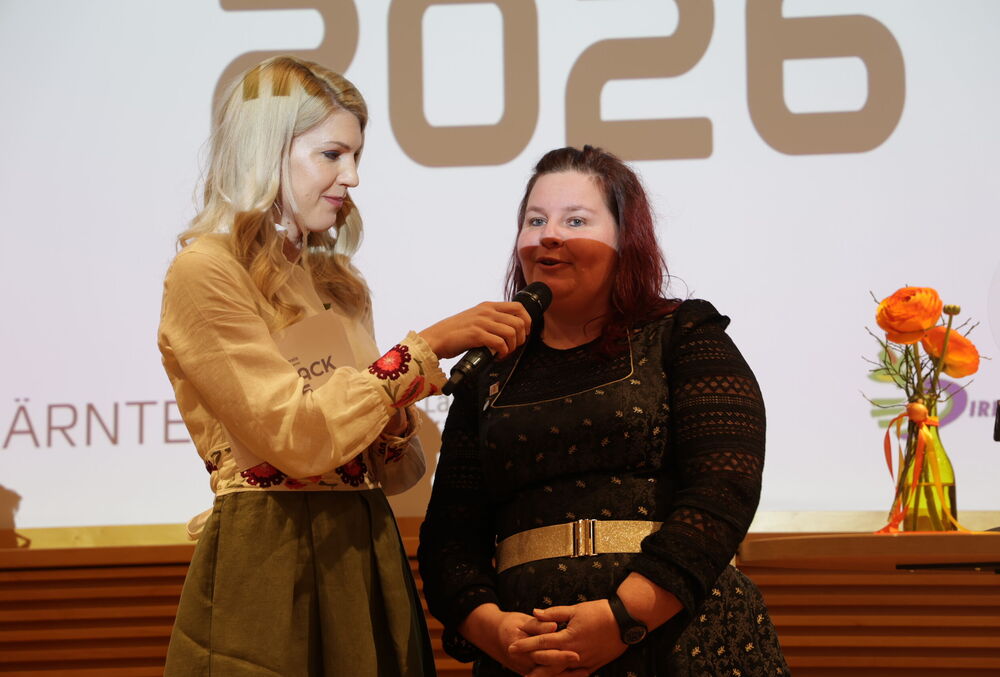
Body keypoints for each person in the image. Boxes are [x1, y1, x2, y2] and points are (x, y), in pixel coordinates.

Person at [158, 55, 531, 676]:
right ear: (265, 151)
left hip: (363, 541)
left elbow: (394, 472)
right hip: (270, 550)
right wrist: (422, 351)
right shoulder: (206, 271)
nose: (352, 176)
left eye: (356, 156)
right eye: (332, 154)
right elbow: (297, 439)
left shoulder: (338, 282)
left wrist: (393, 419)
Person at [418, 146, 790, 676]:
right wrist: (492, 630)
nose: (549, 235)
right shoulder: (488, 373)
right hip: (531, 656)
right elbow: (450, 540)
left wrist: (624, 618)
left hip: (681, 640)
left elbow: (724, 489)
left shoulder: (684, 335)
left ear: (625, 241)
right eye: (535, 220)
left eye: (576, 220)